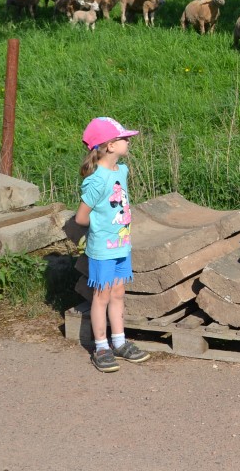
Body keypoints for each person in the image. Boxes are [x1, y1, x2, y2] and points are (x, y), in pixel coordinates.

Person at [75, 117, 151, 373]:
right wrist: (99, 229)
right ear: (109, 145)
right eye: (124, 138)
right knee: (102, 296)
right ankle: (101, 347)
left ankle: (119, 342)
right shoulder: (97, 180)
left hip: (122, 245)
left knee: (118, 293)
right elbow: (81, 218)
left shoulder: (122, 171)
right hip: (103, 250)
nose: (128, 141)